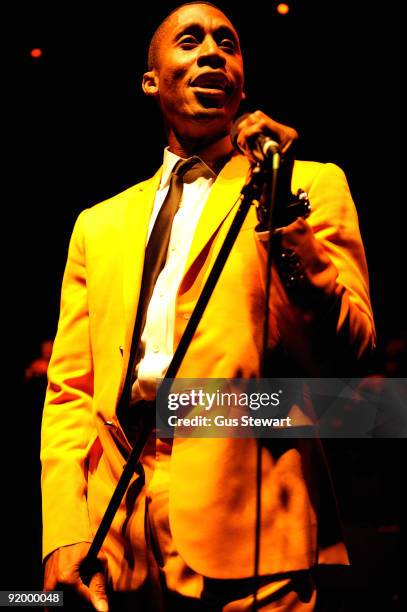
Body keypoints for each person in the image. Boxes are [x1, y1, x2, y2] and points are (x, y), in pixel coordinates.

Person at [41, 2, 376, 610]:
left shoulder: (308, 184)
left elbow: (350, 351)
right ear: (151, 79)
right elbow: (69, 395)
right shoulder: (99, 224)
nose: (212, 52)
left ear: (242, 80)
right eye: (190, 40)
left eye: (228, 42)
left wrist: (281, 213)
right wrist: (64, 532)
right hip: (118, 535)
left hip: (250, 525)